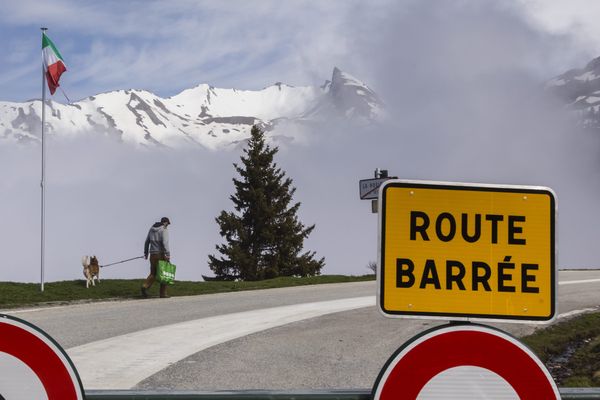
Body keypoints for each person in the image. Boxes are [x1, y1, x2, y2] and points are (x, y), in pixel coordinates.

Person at [142, 217, 171, 298]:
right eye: (168, 224)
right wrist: (167, 254)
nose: (168, 225)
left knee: (153, 273)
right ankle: (163, 294)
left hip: (152, 255)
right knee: (164, 273)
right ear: (165, 222)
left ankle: (144, 286)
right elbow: (165, 243)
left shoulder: (151, 228)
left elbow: (147, 241)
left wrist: (146, 252)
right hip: (161, 254)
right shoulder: (163, 229)